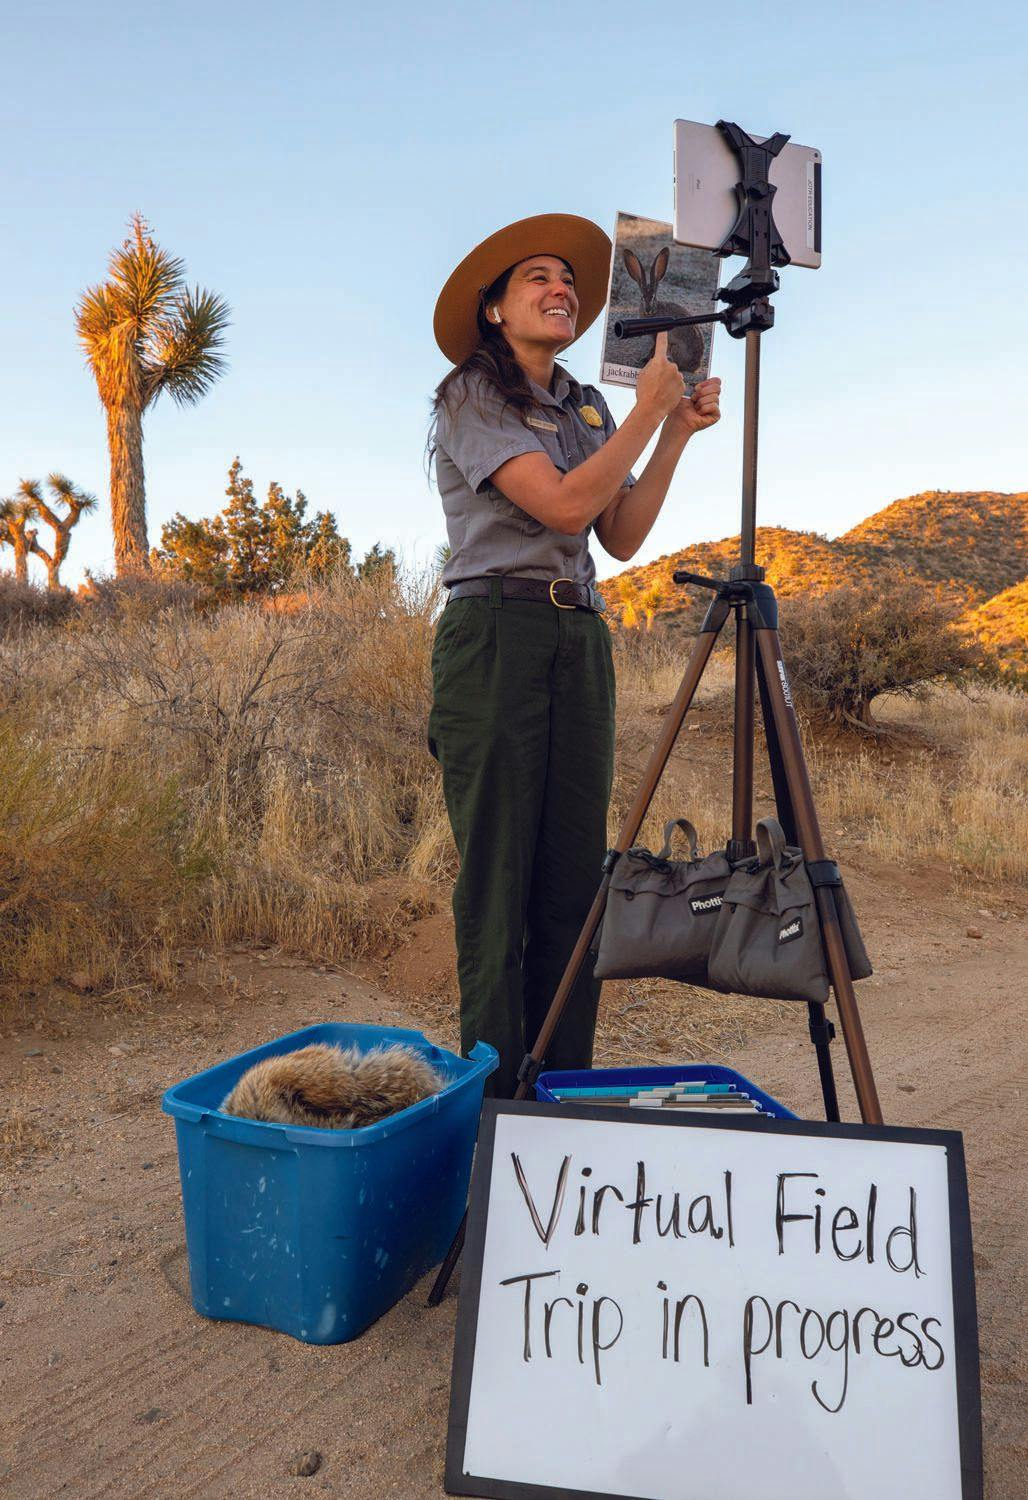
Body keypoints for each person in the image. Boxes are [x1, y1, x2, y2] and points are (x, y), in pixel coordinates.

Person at [427, 213, 721, 1097]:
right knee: (499, 883)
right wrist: (647, 417)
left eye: (570, 282)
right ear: (493, 310)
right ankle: (494, 1114)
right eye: (538, 280)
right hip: (496, 638)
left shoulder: (586, 408)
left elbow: (620, 533)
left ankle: (562, 1102)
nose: (562, 291)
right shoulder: (469, 397)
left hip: (577, 636)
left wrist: (671, 435)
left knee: (572, 885)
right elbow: (558, 505)